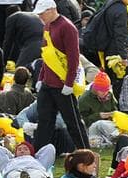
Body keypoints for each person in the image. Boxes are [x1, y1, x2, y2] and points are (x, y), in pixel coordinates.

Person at [33, 0, 90, 151]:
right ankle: (38, 155)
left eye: (42, 13)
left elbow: (73, 58)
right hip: (48, 83)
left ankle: (86, 153)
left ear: (52, 9)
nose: (40, 16)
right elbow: (47, 55)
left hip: (63, 84)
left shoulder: (67, 27)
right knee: (44, 121)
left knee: (73, 122)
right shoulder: (47, 26)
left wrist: (69, 83)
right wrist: (41, 77)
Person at [80, 0, 128, 67]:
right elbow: (121, 35)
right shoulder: (121, 10)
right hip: (114, 54)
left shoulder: (109, 4)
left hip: (103, 49)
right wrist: (124, 57)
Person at [78, 71, 119, 148]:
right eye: (102, 90)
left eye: (106, 90)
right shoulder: (84, 99)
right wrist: (99, 116)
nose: (105, 93)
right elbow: (81, 121)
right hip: (91, 128)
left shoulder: (109, 95)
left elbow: (115, 109)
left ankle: (115, 139)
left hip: (108, 125)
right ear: (95, 89)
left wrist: (112, 115)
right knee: (99, 124)